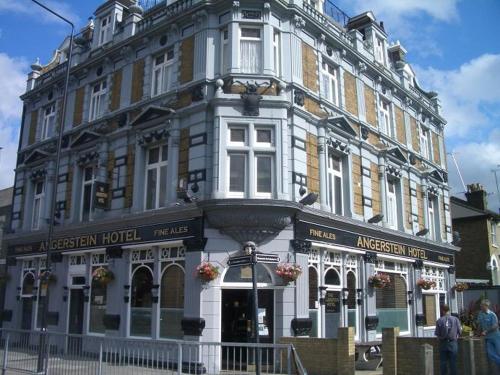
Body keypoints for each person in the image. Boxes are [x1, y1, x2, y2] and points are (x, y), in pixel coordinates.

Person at [435, 304, 461, 375]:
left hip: (443, 343)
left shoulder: (439, 321)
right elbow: (460, 331)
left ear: (442, 311)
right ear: (449, 310)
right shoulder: (455, 319)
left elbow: (437, 334)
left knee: (443, 363)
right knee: (453, 363)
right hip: (453, 343)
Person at [477, 299, 500, 369]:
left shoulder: (492, 315)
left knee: (499, 352)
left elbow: (495, 326)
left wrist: (486, 331)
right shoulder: (480, 314)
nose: (480, 306)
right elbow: (480, 324)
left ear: (486, 306)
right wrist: (478, 332)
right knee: (491, 355)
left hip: (495, 337)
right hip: (488, 338)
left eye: (482, 305)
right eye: (480, 305)